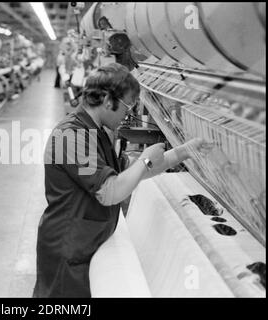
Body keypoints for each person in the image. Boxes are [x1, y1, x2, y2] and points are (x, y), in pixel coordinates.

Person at [33, 62, 212, 297]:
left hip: (84, 244)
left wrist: (183, 152)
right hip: (68, 249)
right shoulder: (72, 136)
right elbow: (110, 192)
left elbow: (130, 175)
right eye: (127, 107)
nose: (128, 114)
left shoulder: (97, 132)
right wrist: (145, 160)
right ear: (108, 100)